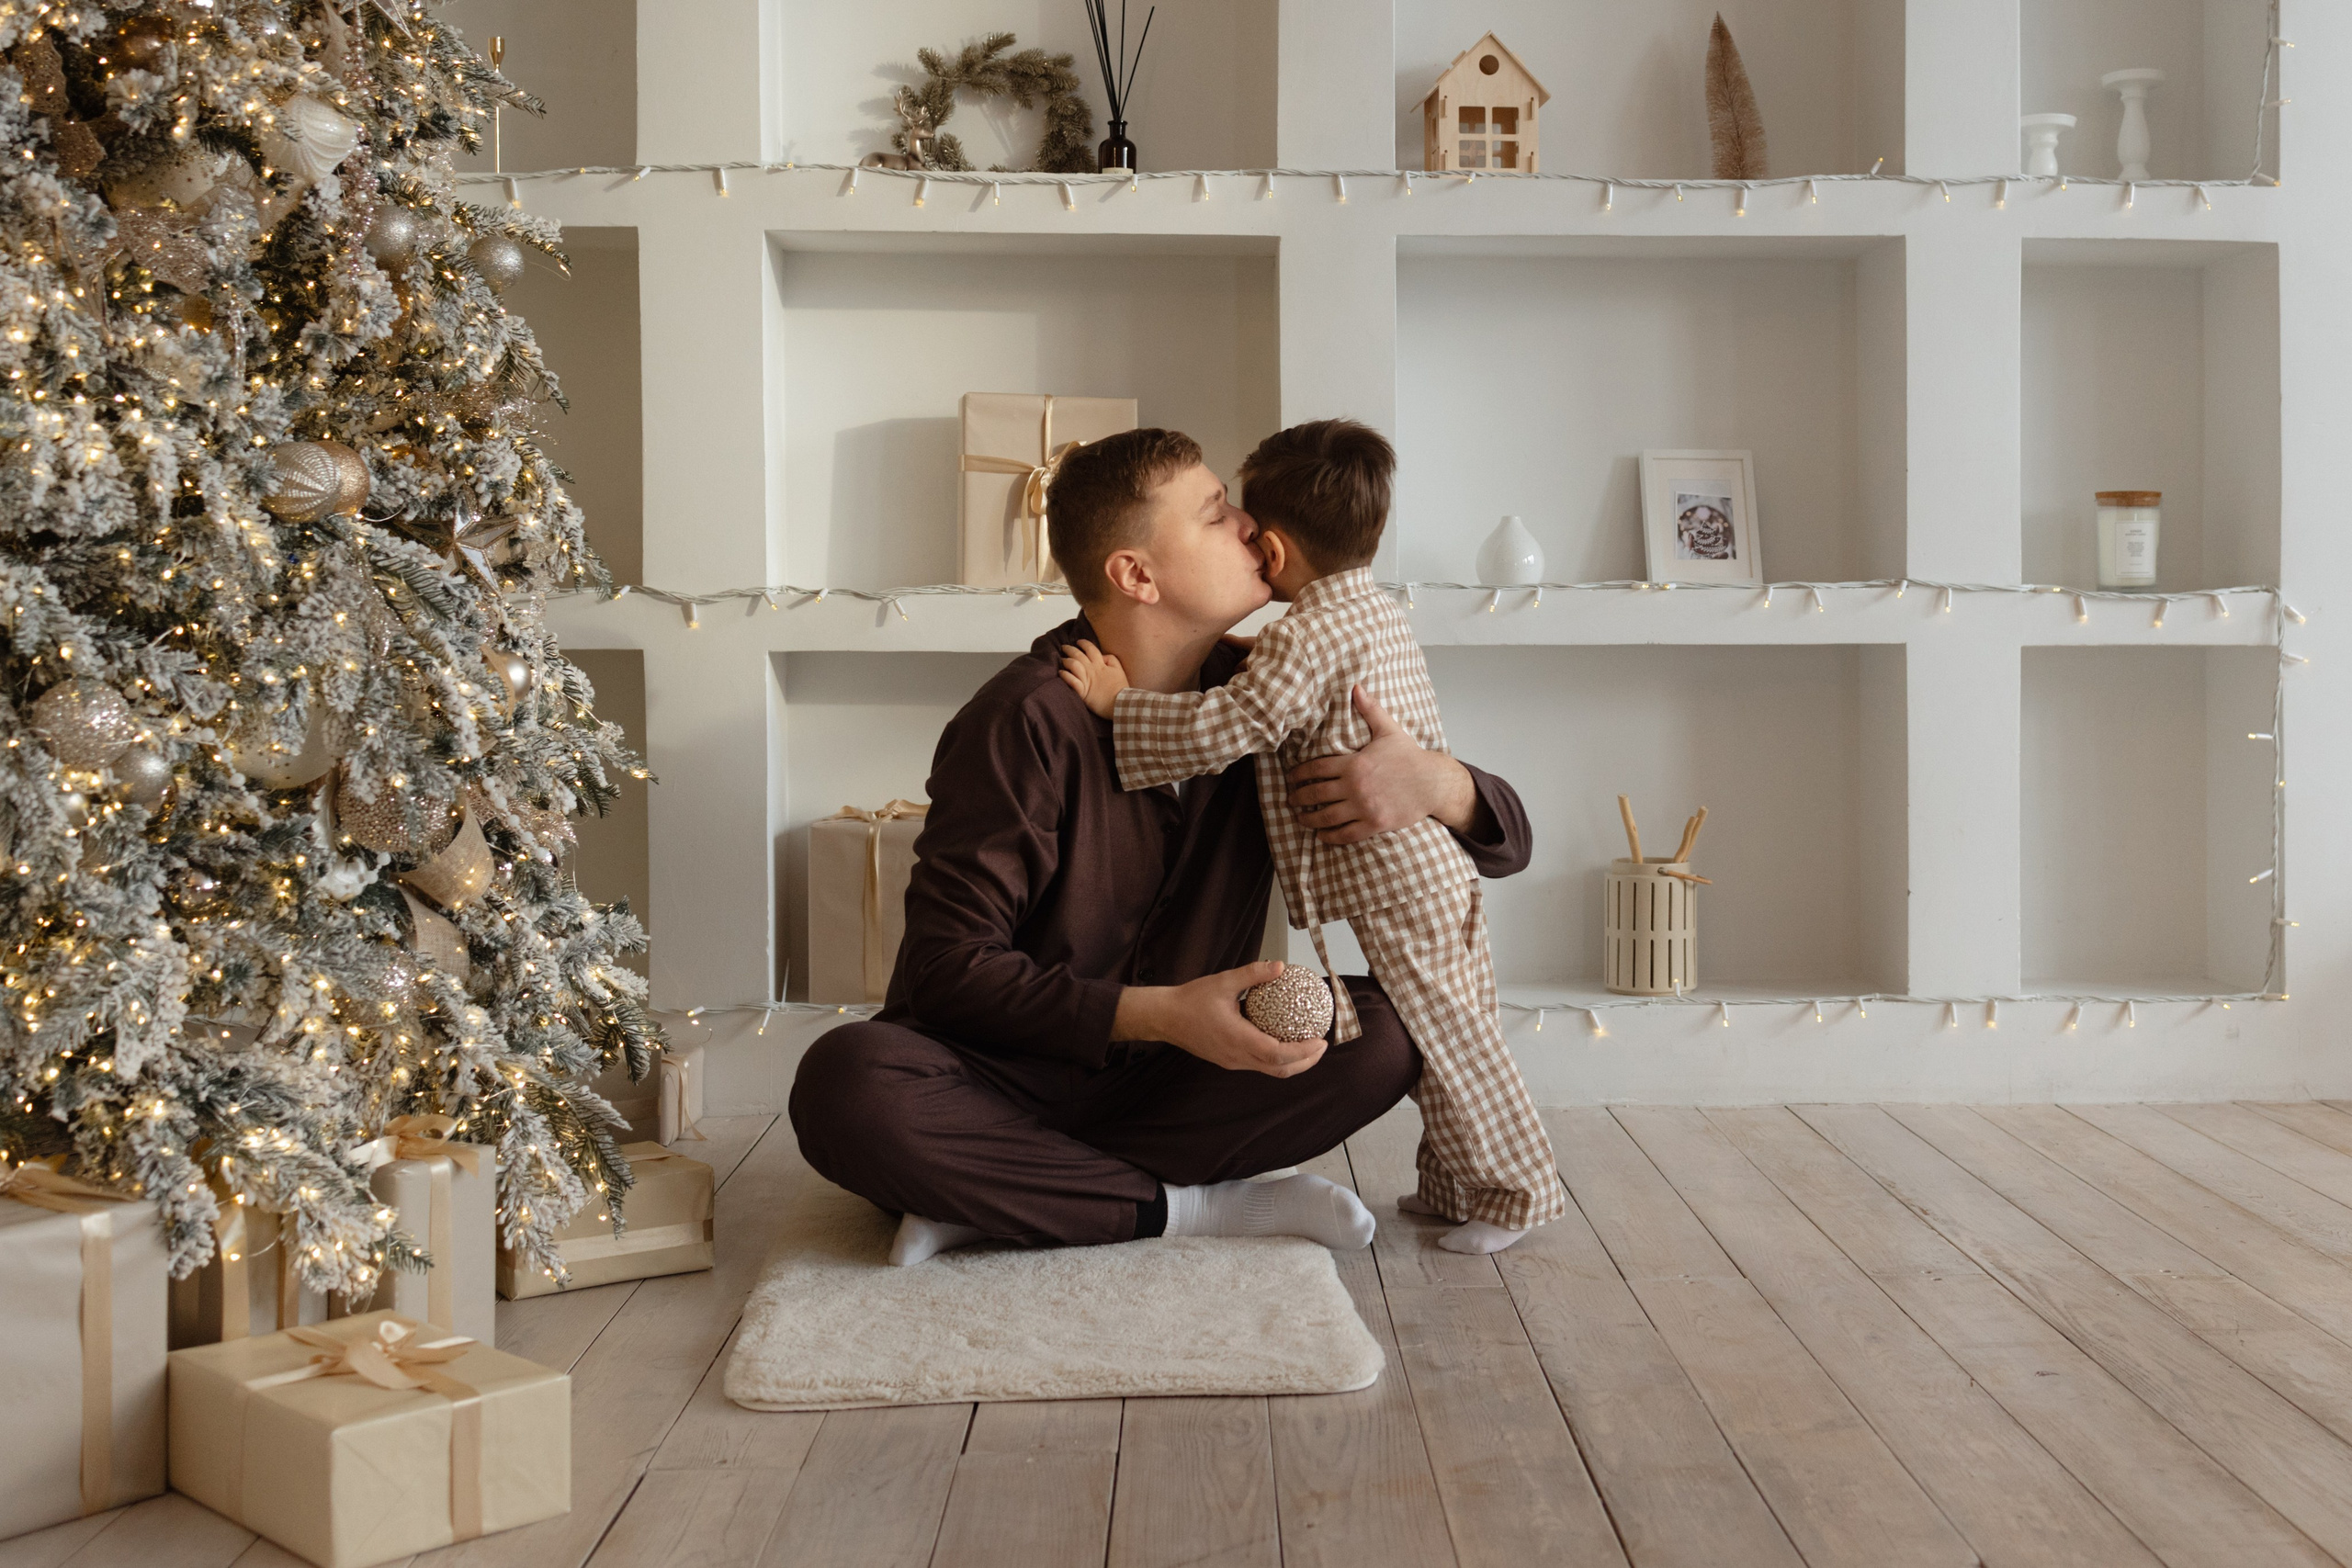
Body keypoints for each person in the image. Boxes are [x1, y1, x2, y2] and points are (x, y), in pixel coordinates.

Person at [787, 426, 1536, 1265]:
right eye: (1216, 515)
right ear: (1136, 574)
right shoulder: (1024, 719)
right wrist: (1164, 1014)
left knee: (1389, 1030)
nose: (1251, 528)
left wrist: (1440, 784)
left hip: (1173, 1089)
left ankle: (1005, 1198)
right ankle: (1193, 1209)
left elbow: (1510, 843)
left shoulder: (1265, 697)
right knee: (844, 1082)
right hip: (997, 1079)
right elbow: (943, 971)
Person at [1057, 420, 1562, 1255]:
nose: (1240, 539)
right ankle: (1451, 1188)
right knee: (1449, 1032)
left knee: (1456, 1041)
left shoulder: (1304, 637)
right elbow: (1287, 677)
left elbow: (1245, 717)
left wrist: (1121, 710)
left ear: (1279, 552)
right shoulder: (1369, 610)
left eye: (1241, 522)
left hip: (1401, 879)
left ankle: (1517, 1195)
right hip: (1422, 879)